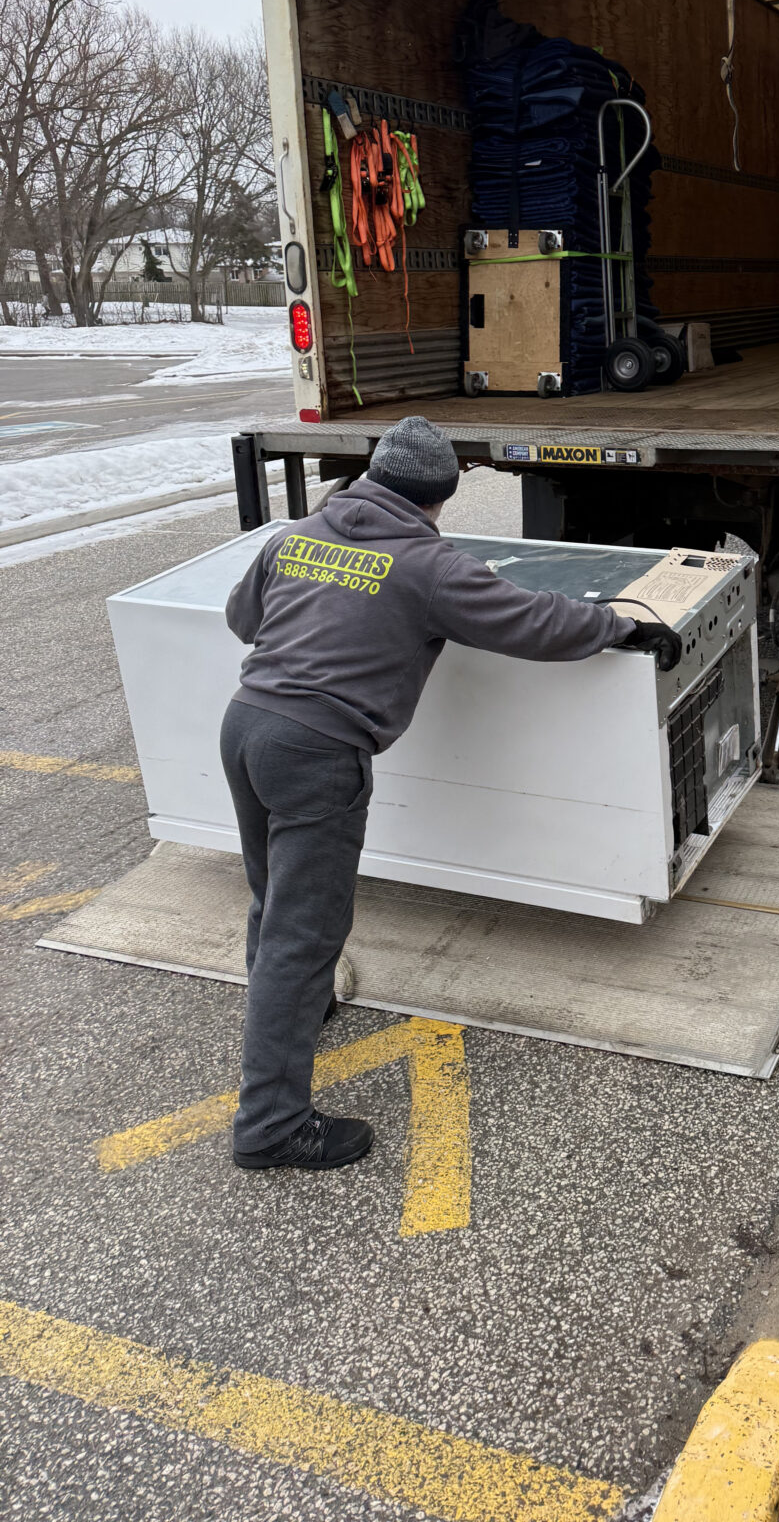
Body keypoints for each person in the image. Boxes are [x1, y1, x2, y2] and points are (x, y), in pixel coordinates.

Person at [220, 415, 680, 1173]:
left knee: (275, 896)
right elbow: (529, 620)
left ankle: (297, 1006)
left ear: (373, 476)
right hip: (318, 750)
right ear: (438, 497)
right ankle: (271, 1124)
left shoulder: (293, 536)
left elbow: (245, 621)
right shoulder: (427, 563)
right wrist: (618, 629)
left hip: (246, 727)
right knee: (306, 931)